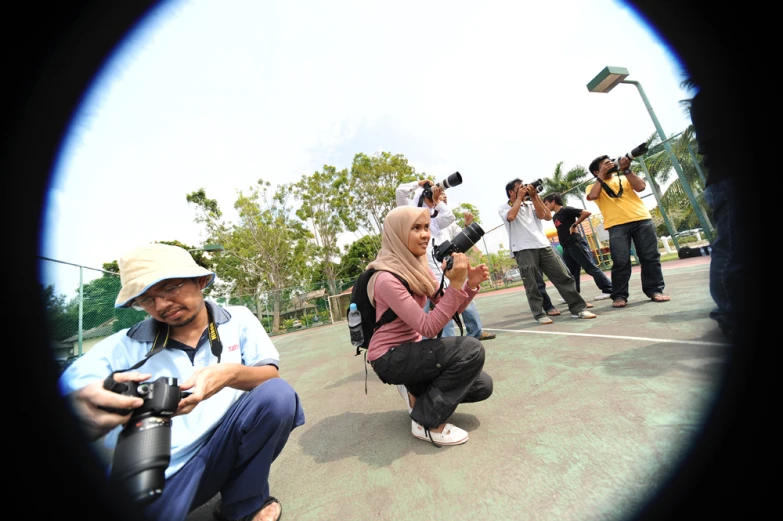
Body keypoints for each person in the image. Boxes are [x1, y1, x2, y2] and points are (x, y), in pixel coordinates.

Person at [58, 243, 305, 521]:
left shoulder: (238, 319)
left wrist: (227, 375)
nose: (161, 305)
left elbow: (270, 375)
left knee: (277, 396)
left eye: (169, 288)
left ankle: (242, 504)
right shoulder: (122, 345)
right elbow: (74, 388)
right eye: (146, 299)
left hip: (223, 445)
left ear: (200, 281)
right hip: (161, 476)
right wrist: (80, 406)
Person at [366, 206, 493, 446]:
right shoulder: (386, 278)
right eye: (416, 228)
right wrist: (456, 286)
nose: (425, 234)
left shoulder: (418, 269)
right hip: (389, 358)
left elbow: (449, 308)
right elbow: (427, 326)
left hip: (412, 351)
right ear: (397, 234)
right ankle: (428, 422)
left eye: (426, 227)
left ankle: (416, 392)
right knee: (472, 349)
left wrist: (469, 286)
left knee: (482, 386)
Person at [498, 179, 596, 324]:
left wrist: (534, 196)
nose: (524, 189)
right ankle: (539, 314)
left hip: (543, 245)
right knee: (532, 284)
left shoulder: (531, 203)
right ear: (511, 192)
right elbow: (511, 217)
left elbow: (547, 216)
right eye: (520, 188)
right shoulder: (504, 207)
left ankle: (578, 309)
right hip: (523, 249)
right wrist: (519, 198)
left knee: (563, 276)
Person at [689, 85, 742, 339]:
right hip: (729, 177)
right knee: (733, 248)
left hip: (729, 178)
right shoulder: (710, 98)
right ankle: (731, 312)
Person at [586, 153, 671, 308]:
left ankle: (655, 290)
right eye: (606, 164)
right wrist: (602, 176)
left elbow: (640, 187)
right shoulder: (592, 186)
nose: (611, 164)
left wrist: (627, 170)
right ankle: (619, 296)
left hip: (642, 220)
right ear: (596, 172)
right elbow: (592, 196)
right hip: (616, 225)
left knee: (650, 257)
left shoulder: (624, 178)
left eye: (611, 162)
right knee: (620, 261)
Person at [396, 179, 457, 337]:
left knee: (445, 318)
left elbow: (449, 218)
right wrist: (419, 183)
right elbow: (400, 191)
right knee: (418, 322)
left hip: (437, 278)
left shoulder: (435, 221)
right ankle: (421, 353)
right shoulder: (409, 214)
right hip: (417, 278)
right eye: (430, 197)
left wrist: (438, 202)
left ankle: (447, 352)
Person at [438, 192, 496, 341]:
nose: (444, 196)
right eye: (440, 194)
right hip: (436, 267)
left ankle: (475, 331)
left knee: (465, 294)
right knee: (441, 304)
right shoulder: (427, 219)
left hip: (453, 263)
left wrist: (467, 226)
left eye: (445, 194)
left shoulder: (449, 222)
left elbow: (461, 237)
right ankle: (446, 343)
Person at [542, 192, 613, 299]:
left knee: (590, 267)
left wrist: (575, 224)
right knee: (571, 273)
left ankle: (609, 289)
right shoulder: (555, 216)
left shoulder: (566, 210)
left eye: (546, 203)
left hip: (575, 243)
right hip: (566, 247)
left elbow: (586, 212)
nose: (545, 206)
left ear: (553, 202)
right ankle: (573, 295)